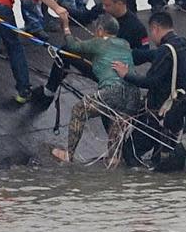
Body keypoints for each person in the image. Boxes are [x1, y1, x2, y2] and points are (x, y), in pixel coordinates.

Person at [50, 14, 142, 163]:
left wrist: (66, 27)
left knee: (79, 111)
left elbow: (72, 46)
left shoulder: (99, 42)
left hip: (113, 90)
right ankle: (113, 159)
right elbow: (101, 55)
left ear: (100, 30)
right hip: (134, 94)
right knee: (116, 123)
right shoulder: (124, 43)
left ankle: (69, 154)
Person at [40, 0, 148, 104]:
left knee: (68, 50)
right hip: (96, 58)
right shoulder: (102, 9)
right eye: (103, 4)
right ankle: (48, 92)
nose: (104, 8)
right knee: (64, 52)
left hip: (113, 71)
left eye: (108, 5)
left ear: (120, 4)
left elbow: (144, 54)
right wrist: (59, 7)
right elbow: (84, 17)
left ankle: (47, 94)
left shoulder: (136, 27)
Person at [112, 12, 186, 166]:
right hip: (175, 113)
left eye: (151, 32)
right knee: (160, 159)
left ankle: (137, 185)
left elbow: (150, 81)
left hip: (157, 115)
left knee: (130, 151)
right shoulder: (183, 43)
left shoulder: (164, 50)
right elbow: (155, 57)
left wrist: (126, 74)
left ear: (155, 28)